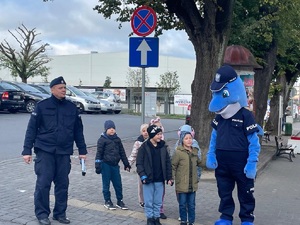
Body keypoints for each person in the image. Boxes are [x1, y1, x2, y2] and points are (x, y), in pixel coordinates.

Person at [22, 76, 87, 225]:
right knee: (43, 184)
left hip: (64, 152)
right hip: (45, 150)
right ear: (52, 89)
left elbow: (78, 131)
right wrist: (27, 151)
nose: (64, 90)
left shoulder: (72, 107)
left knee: (62, 184)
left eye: (65, 88)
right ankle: (42, 214)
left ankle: (60, 213)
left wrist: (82, 151)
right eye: (60, 88)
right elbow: (31, 129)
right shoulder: (42, 106)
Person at [206, 65, 261, 225]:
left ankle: (247, 218)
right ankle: (226, 216)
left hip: (241, 163)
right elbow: (213, 137)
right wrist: (211, 155)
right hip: (222, 165)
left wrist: (252, 163)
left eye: (222, 93)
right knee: (224, 192)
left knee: (245, 192)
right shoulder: (219, 118)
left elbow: (254, 141)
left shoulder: (246, 115)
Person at [136, 125, 173, 225]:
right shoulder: (144, 147)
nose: (160, 136)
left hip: (159, 179)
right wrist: (143, 175)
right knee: (148, 201)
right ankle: (150, 218)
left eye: (161, 134)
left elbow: (167, 162)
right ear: (152, 135)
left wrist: (169, 177)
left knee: (158, 201)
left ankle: (156, 218)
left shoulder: (163, 147)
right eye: (158, 134)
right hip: (148, 179)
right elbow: (139, 163)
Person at [95, 120, 131, 210]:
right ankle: (107, 201)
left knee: (118, 184)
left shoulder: (117, 140)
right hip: (105, 165)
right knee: (106, 184)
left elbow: (122, 152)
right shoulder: (102, 140)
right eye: (110, 128)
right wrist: (98, 165)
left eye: (113, 128)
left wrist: (126, 163)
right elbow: (99, 153)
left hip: (115, 165)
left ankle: (120, 200)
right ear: (106, 129)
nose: (112, 130)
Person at [172, 125, 202, 221]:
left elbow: (199, 164)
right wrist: (171, 178)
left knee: (192, 204)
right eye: (186, 138)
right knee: (182, 204)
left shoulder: (195, 151)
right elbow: (173, 166)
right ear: (182, 140)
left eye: (190, 138)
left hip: (192, 183)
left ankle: (191, 221)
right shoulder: (178, 152)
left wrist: (197, 176)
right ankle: (184, 220)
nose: (189, 140)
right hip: (182, 183)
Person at [149, 117, 167, 219]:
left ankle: (160, 209)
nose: (159, 129)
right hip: (151, 172)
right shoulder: (148, 143)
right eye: (157, 127)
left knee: (161, 192)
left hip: (161, 172)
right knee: (151, 191)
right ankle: (151, 208)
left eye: (160, 127)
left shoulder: (163, 143)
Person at [128, 123, 149, 208]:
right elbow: (134, 154)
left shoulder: (152, 140)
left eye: (147, 130)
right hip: (141, 167)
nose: (145, 132)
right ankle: (142, 200)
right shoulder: (138, 142)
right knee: (141, 185)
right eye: (143, 131)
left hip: (150, 167)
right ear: (141, 132)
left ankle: (149, 199)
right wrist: (128, 164)